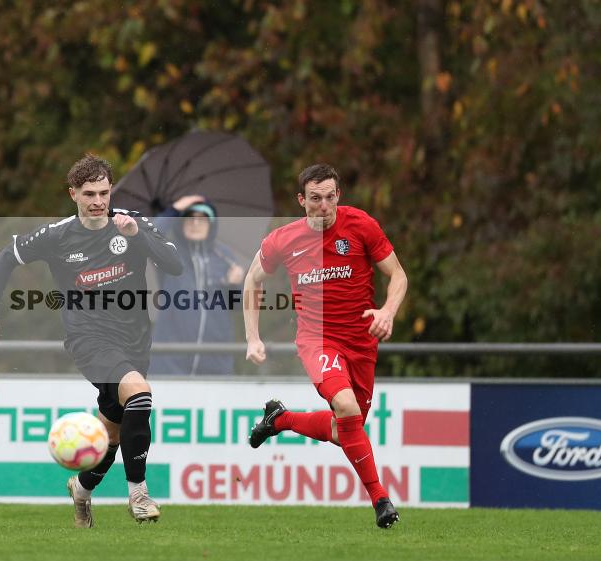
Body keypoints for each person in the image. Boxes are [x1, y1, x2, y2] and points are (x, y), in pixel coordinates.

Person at [0, 154, 183, 528]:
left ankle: (82, 490)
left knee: (113, 432)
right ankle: (138, 493)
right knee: (139, 393)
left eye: (104, 192)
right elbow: (7, 257)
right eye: (89, 193)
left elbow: (174, 264)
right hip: (88, 338)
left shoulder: (131, 225)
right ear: (73, 194)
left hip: (135, 339)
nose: (98, 201)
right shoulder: (58, 235)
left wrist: (139, 237)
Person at [243, 163, 408, 528]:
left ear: (338, 196)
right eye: (314, 198)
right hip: (317, 340)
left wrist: (388, 311)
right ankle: (381, 500)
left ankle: (280, 419)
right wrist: (252, 336)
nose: (323, 205)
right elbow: (252, 281)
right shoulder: (283, 239)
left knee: (346, 428)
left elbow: (397, 274)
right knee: (346, 407)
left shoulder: (361, 225)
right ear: (301, 201)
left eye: (329, 197)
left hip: (362, 341)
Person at [150, 195, 245, 376]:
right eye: (189, 217)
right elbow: (149, 236)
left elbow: (237, 306)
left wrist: (234, 286)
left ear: (211, 224)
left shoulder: (224, 255)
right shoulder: (170, 251)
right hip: (170, 361)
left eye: (202, 219)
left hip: (216, 361)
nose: (195, 223)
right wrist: (174, 209)